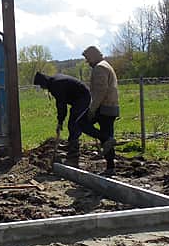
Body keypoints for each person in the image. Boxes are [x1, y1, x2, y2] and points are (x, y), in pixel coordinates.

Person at [33, 71, 91, 166]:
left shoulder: (56, 85)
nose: (42, 88)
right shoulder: (54, 81)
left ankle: (73, 155)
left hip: (83, 98)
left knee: (74, 124)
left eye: (41, 85)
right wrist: (60, 120)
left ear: (44, 82)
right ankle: (71, 146)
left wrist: (60, 122)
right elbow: (60, 104)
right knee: (73, 123)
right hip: (79, 98)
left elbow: (61, 105)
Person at [80, 45, 119, 173]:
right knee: (107, 136)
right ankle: (110, 167)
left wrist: (92, 109)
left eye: (88, 58)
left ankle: (107, 140)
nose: (87, 62)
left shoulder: (100, 68)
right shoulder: (107, 65)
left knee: (81, 123)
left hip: (104, 107)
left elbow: (100, 92)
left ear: (93, 56)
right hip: (112, 107)